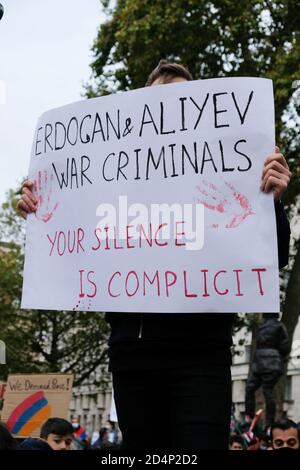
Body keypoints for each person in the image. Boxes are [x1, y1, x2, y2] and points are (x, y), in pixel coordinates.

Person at [17, 60, 291, 450]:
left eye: (184, 100)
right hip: (133, 358)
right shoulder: (110, 179)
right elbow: (74, 234)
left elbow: (273, 257)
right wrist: (41, 208)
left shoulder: (229, 176)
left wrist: (271, 203)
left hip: (201, 356)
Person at [245, 312, 290, 427]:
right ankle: (267, 422)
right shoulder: (279, 326)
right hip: (267, 362)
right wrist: (280, 356)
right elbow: (285, 346)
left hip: (262, 362)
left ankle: (253, 417)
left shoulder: (262, 327)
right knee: (267, 391)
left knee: (252, 388)